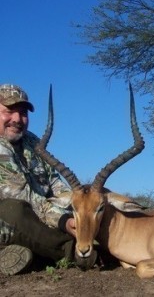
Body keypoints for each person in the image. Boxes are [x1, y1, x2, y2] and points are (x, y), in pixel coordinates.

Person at [0, 84, 96, 275]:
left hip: (36, 222)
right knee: (13, 209)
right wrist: (64, 221)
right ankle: (74, 253)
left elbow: (54, 181)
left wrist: (77, 202)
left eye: (23, 113)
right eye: (9, 111)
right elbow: (26, 200)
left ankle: (32, 255)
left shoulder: (31, 141)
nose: (18, 119)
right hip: (10, 222)